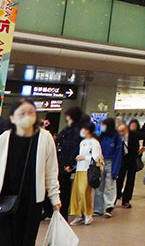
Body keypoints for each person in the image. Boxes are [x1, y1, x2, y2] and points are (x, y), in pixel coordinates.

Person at [0, 99, 61, 245]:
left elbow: (51, 170)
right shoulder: (4, 138)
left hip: (32, 200)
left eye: (30, 112)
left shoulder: (45, 138)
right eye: (22, 113)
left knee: (26, 240)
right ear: (13, 117)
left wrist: (55, 198)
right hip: (4, 197)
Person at [55, 105, 84, 220]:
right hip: (64, 162)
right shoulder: (71, 129)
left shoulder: (74, 130)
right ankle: (61, 212)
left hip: (66, 164)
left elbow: (74, 147)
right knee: (63, 188)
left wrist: (70, 164)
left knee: (64, 189)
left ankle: (63, 213)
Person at [70, 121, 101, 226]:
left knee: (84, 192)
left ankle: (88, 213)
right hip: (79, 169)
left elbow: (96, 157)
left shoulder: (94, 143)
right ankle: (78, 214)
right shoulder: (82, 142)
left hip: (88, 170)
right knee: (77, 193)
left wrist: (84, 158)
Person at [94, 117, 122, 217]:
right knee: (99, 186)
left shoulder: (116, 137)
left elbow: (118, 154)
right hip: (101, 161)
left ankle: (108, 207)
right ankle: (98, 208)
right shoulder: (101, 136)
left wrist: (116, 169)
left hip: (111, 162)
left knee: (109, 186)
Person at [116, 120, 144, 208]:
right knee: (119, 179)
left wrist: (143, 147)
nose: (121, 133)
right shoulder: (117, 137)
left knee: (130, 180)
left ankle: (126, 200)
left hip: (132, 159)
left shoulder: (134, 134)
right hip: (121, 160)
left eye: (122, 131)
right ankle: (115, 198)